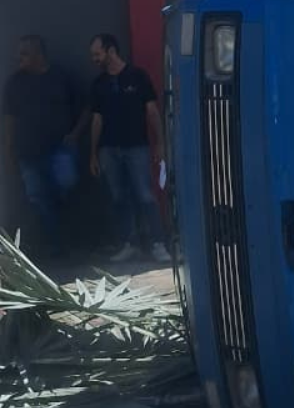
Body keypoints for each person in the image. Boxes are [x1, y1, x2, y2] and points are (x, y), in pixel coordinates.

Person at [88, 34, 169, 264]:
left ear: (111, 51)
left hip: (137, 147)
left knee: (145, 194)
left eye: (97, 53)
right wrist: (93, 153)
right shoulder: (99, 84)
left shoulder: (138, 76)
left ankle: (158, 243)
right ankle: (129, 243)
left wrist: (160, 143)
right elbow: (97, 120)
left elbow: (152, 111)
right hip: (108, 149)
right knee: (119, 197)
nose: (94, 59)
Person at [2, 35, 87, 255]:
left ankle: (69, 229)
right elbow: (10, 119)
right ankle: (56, 246)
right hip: (28, 153)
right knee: (38, 199)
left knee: (67, 183)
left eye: (24, 53)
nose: (18, 58)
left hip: (60, 148)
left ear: (38, 55)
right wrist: (8, 151)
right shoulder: (14, 83)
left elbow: (87, 107)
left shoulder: (61, 77)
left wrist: (75, 134)